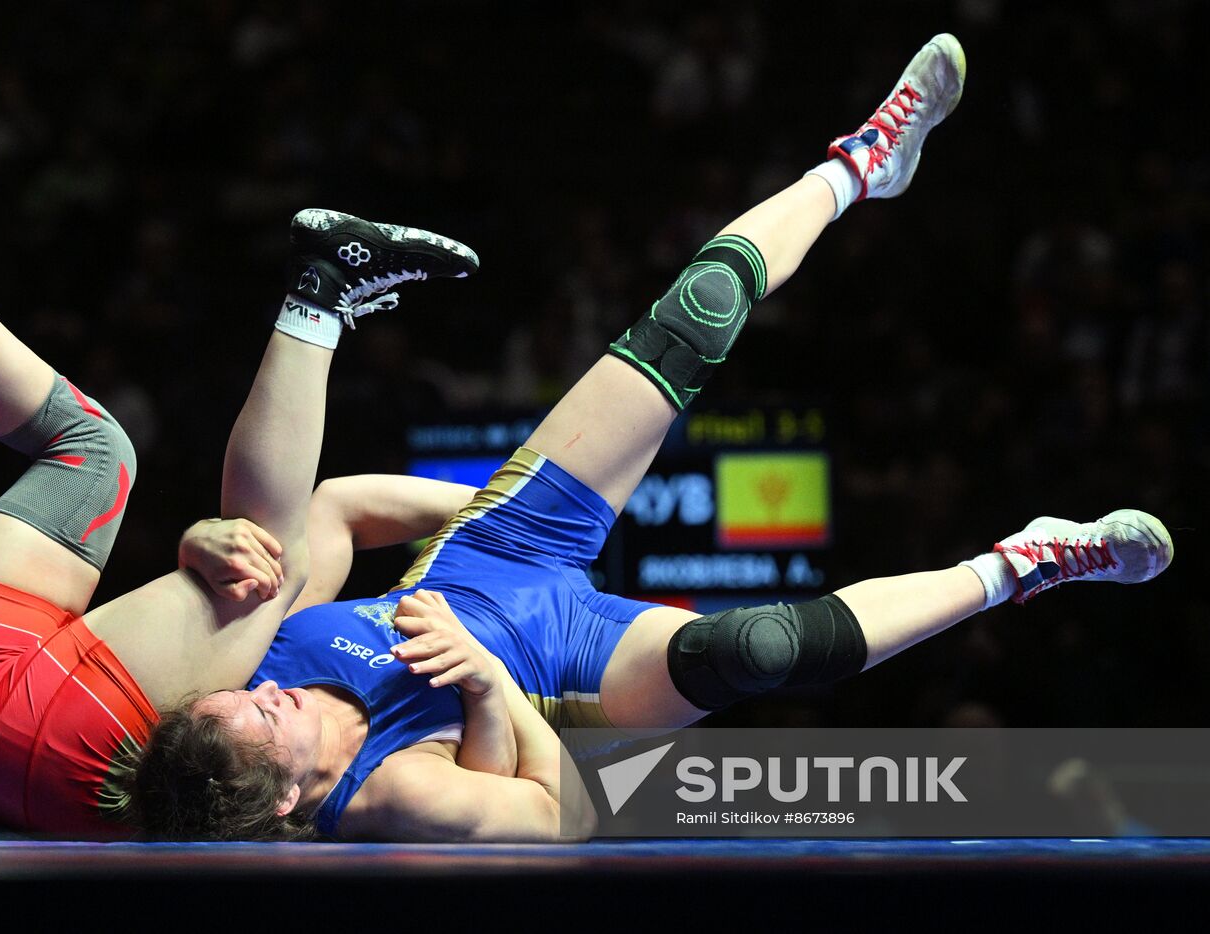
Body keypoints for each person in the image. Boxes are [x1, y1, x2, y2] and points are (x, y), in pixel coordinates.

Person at [123, 33, 1173, 842]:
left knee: (695, 312)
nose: (263, 688)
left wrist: (473, 506)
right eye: (262, 718)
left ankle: (859, 165)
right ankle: (1026, 561)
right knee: (762, 649)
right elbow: (553, 814)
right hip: (564, 670)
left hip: (495, 547)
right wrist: (485, 681)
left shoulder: (274, 654)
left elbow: (340, 508)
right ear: (290, 791)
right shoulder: (389, 794)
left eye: (241, 691)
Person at [0, 132, 484, 836]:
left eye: (270, 701)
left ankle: (325, 287)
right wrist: (516, 522)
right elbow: (338, 508)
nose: (276, 693)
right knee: (96, 450)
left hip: (75, 752)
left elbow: (562, 803)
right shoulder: (306, 681)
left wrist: (498, 677)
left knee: (268, 565)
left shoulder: (382, 776)